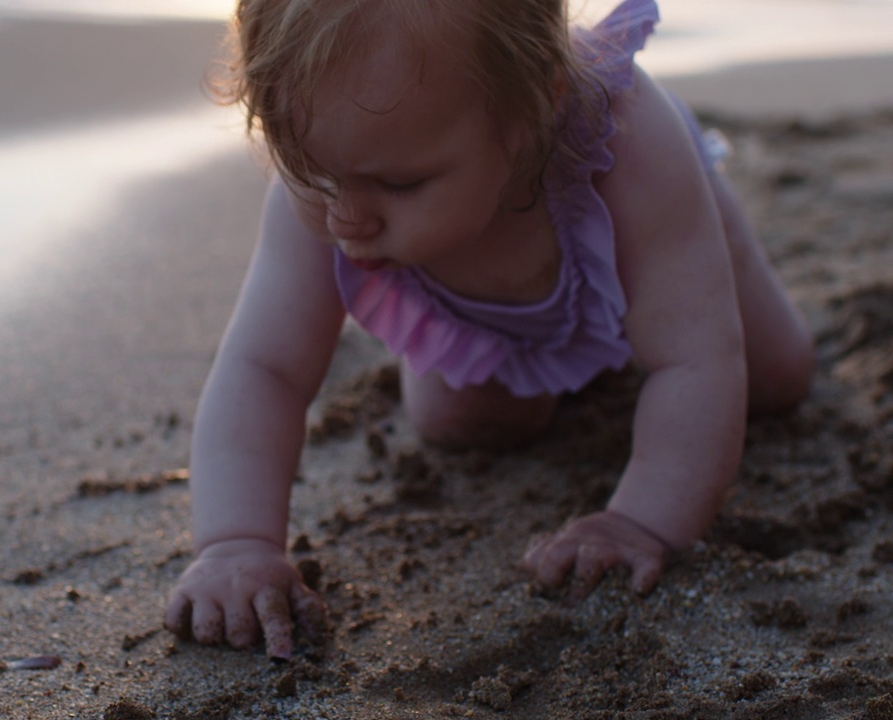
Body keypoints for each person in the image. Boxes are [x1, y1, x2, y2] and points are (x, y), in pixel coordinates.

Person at [164, 0, 815, 660]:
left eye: (399, 182)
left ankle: (666, 308)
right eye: (311, 174)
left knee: (775, 377)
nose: (347, 219)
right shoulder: (342, 180)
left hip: (654, 246)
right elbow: (263, 367)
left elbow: (692, 358)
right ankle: (525, 348)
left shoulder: (628, 141)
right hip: (476, 301)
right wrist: (236, 542)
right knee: (465, 425)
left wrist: (639, 520)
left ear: (533, 110)